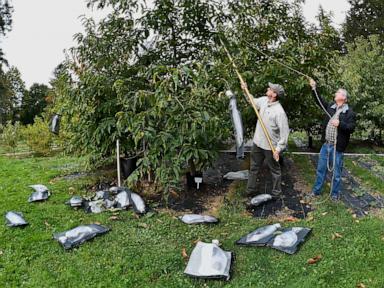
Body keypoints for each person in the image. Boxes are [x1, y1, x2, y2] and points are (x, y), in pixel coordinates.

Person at [309, 79, 356, 201]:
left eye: (338, 93)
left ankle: (334, 194)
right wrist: (314, 88)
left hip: (337, 147)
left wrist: (340, 124)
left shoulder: (349, 112)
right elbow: (319, 101)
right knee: (321, 169)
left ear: (343, 97)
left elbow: (351, 128)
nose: (335, 94)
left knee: (336, 173)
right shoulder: (330, 106)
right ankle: (316, 191)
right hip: (326, 145)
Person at [242, 82, 289, 198]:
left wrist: (278, 149)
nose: (268, 88)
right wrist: (245, 89)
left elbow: (284, 134)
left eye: (270, 88)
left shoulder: (279, 112)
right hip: (258, 143)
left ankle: (276, 193)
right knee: (253, 167)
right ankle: (250, 190)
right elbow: (252, 101)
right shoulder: (264, 101)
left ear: (274, 94)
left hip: (270, 147)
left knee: (275, 171)